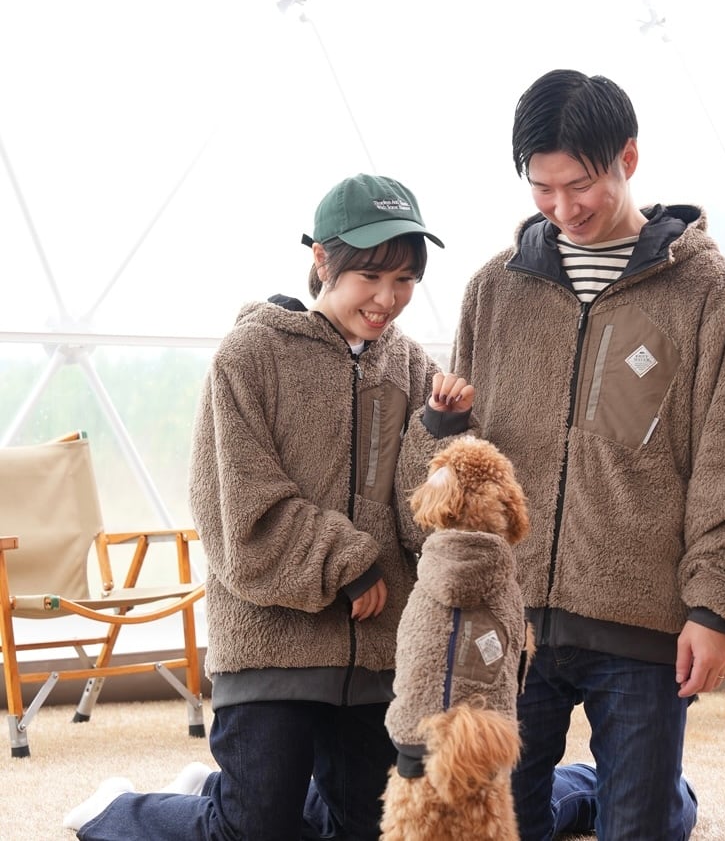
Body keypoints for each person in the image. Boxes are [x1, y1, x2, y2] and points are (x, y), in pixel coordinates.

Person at [398, 70, 725, 840]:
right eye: (542, 188)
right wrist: (441, 431)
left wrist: (718, 608)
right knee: (496, 821)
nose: (563, 208)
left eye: (579, 185)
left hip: (640, 621)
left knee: (637, 825)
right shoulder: (493, 289)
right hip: (508, 617)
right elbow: (455, 461)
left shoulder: (709, 292)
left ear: (627, 159)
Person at [63, 173, 474, 841]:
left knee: (374, 829)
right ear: (322, 259)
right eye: (370, 275)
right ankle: (120, 811)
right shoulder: (249, 355)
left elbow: (416, 519)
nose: (387, 297)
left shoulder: (411, 368)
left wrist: (439, 428)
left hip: (374, 652)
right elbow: (236, 505)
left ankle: (231, 791)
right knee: (255, 828)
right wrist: (345, 561)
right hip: (270, 643)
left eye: (405, 279)